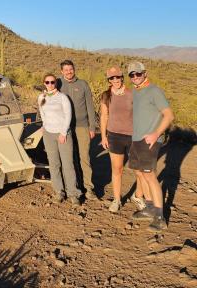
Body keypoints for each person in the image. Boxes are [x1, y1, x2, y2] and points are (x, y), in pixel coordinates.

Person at [127, 62, 174, 231]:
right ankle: (149, 207)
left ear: (145, 73)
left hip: (150, 140)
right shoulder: (136, 91)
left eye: (138, 74)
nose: (135, 77)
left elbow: (169, 115)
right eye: (132, 75)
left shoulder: (154, 90)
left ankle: (160, 216)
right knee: (139, 173)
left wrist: (156, 134)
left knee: (149, 175)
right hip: (137, 138)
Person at [100, 66, 142, 213]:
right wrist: (103, 136)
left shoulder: (132, 94)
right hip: (114, 136)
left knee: (139, 169)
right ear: (109, 80)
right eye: (112, 78)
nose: (115, 80)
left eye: (117, 77)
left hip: (133, 136)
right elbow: (104, 116)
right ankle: (117, 199)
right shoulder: (106, 95)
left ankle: (138, 196)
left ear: (122, 77)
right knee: (117, 169)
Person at [38, 74, 82, 205]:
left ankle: (73, 193)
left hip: (63, 134)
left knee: (68, 164)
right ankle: (59, 192)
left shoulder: (63, 97)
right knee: (54, 164)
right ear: (44, 83)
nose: (50, 84)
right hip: (48, 134)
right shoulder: (41, 97)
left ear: (56, 83)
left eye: (52, 82)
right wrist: (44, 126)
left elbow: (68, 115)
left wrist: (63, 133)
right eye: (47, 82)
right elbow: (42, 113)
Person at [58, 60, 97, 199]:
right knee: (69, 158)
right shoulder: (57, 83)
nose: (69, 72)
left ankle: (89, 188)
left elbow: (90, 107)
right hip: (64, 127)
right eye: (66, 70)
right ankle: (74, 187)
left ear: (74, 69)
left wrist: (92, 127)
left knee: (84, 157)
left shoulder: (83, 84)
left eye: (71, 69)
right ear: (61, 71)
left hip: (82, 126)